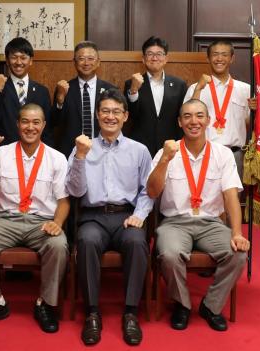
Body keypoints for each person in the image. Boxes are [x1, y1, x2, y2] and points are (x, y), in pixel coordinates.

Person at [147, 99, 249, 331]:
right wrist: (164, 160)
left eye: (200, 116)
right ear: (180, 122)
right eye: (188, 116)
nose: (194, 121)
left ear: (208, 120)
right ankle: (182, 304)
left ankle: (211, 306)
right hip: (174, 222)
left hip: (211, 223)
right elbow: (152, 191)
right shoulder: (167, 152)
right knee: (170, 254)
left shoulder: (222, 154)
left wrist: (236, 233)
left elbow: (231, 196)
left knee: (238, 254)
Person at [0, 103, 69, 333]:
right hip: (7, 220)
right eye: (25, 122)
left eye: (36, 122)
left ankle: (45, 303)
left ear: (43, 125)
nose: (30, 127)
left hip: (40, 222)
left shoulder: (57, 158)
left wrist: (57, 223)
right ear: (17, 124)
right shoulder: (1, 153)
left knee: (59, 245)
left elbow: (64, 200)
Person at [66, 89, 153, 346]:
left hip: (127, 216)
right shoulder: (83, 147)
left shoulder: (139, 150)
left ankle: (130, 313)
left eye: (116, 111)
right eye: (105, 111)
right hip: (93, 217)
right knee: (87, 240)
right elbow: (74, 191)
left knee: (138, 242)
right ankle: (92, 312)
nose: (110, 116)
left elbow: (148, 189)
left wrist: (139, 215)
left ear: (125, 116)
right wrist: (81, 156)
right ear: (97, 114)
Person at [183, 40, 256, 178]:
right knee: (202, 196)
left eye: (224, 54)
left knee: (233, 198)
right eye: (215, 54)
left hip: (234, 155)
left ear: (232, 58)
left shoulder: (245, 90)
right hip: (204, 153)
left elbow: (251, 125)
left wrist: (256, 111)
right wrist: (198, 89)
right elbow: (187, 118)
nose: (219, 59)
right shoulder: (195, 88)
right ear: (208, 58)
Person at [51, 40, 116, 158]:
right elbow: (55, 122)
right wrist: (60, 101)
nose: (86, 63)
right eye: (81, 58)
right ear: (74, 62)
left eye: (91, 58)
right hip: (72, 152)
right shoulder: (65, 88)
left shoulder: (110, 90)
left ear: (98, 62)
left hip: (102, 151)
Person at [124, 36, 187, 156]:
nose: (154, 58)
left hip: (171, 147)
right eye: (150, 54)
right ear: (143, 59)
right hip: (140, 146)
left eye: (159, 54)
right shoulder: (131, 83)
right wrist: (133, 90)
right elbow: (130, 116)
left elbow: (182, 117)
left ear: (166, 58)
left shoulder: (179, 85)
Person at [0, 37, 52, 146]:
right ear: (7, 60)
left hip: (34, 151)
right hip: (5, 151)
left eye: (23, 57)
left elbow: (47, 129)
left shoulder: (42, 91)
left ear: (31, 61)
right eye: (14, 57)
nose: (18, 62)